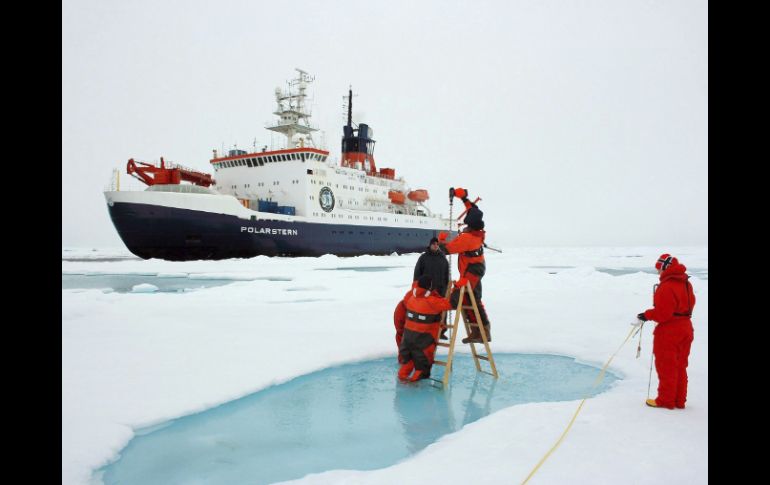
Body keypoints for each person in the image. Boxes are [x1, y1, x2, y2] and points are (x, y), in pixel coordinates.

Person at [636, 253, 696, 410]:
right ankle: (679, 400)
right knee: (680, 366)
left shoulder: (667, 286)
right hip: (686, 328)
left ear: (664, 268)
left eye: (659, 270)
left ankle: (666, 400)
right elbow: (690, 304)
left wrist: (647, 315)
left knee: (667, 366)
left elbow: (663, 314)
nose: (658, 273)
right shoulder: (686, 284)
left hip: (670, 332)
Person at [438, 187, 491, 344]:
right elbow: (473, 209)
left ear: (469, 225)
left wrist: (441, 240)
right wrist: (464, 198)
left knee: (458, 299)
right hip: (475, 268)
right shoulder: (478, 231)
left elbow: (446, 250)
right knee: (472, 299)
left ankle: (481, 331)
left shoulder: (467, 238)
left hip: (472, 271)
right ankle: (478, 331)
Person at [397, 275, 452, 381]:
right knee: (422, 370)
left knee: (406, 366)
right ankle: (416, 389)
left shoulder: (410, 298)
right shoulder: (432, 301)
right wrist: (457, 289)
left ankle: (404, 385)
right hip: (423, 342)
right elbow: (449, 304)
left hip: (407, 341)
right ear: (430, 287)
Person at [414, 236, 450, 339]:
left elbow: (446, 274)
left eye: (437, 244)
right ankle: (427, 331)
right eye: (434, 244)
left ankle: (441, 331)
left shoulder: (442, 258)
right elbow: (417, 274)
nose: (435, 246)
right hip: (427, 290)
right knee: (427, 311)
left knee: (441, 311)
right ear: (430, 245)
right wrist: (417, 288)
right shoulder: (423, 258)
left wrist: (447, 288)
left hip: (441, 289)